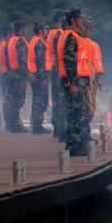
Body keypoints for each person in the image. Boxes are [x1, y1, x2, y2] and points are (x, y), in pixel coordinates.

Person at [57, 8, 91, 156]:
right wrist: (73, 83)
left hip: (75, 80)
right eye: (79, 19)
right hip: (75, 81)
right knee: (77, 114)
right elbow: (70, 61)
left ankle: (75, 145)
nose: (82, 21)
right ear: (73, 20)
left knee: (75, 113)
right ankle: (75, 146)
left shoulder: (70, 35)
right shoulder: (70, 36)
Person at [6, 21, 29, 133]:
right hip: (19, 75)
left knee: (12, 100)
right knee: (18, 101)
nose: (26, 31)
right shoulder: (20, 41)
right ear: (22, 29)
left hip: (12, 73)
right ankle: (15, 125)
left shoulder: (11, 40)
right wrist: (26, 75)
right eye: (25, 28)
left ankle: (11, 124)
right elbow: (23, 60)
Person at [27, 22, 50, 133]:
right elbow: (40, 62)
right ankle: (37, 126)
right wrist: (44, 78)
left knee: (36, 100)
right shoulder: (40, 43)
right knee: (40, 101)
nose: (47, 32)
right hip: (39, 76)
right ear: (40, 30)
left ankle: (35, 124)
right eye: (46, 29)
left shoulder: (33, 40)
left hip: (33, 75)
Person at [45, 10, 65, 140]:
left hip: (53, 68)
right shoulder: (58, 34)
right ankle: (60, 128)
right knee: (61, 101)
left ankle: (58, 128)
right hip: (58, 69)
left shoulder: (50, 33)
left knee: (56, 100)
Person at [0, 27, 12, 127]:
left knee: (6, 98)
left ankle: (8, 120)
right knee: (9, 98)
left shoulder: (1, 44)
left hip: (4, 73)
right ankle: (9, 120)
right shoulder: (7, 45)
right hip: (8, 73)